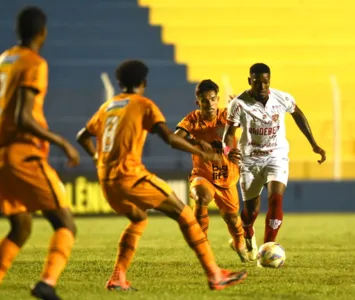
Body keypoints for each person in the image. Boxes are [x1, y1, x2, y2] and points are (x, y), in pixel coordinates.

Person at [76, 60, 247, 291]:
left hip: (106, 181)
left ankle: (118, 277)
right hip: (130, 176)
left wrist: (98, 159)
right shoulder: (143, 104)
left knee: (138, 219)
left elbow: (82, 136)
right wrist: (200, 150)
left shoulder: (108, 106)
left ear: (119, 83)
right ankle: (215, 274)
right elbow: (170, 138)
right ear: (143, 83)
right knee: (185, 213)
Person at [0, 6, 80, 300]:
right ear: (42, 33)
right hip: (23, 155)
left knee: (21, 227)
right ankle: (47, 284)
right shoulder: (34, 63)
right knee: (65, 223)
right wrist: (62, 142)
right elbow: (23, 118)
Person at [223, 63, 326, 261]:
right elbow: (229, 134)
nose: (262, 86)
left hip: (276, 156)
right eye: (257, 82)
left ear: (270, 80)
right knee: (250, 212)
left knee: (276, 199)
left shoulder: (282, 98)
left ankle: (267, 248)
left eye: (266, 81)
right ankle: (248, 233)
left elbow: (298, 114)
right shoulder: (238, 104)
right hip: (250, 160)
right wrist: (228, 151)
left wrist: (313, 144)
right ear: (249, 81)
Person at [174, 79, 248, 263]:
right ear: (197, 102)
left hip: (227, 178)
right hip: (203, 175)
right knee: (201, 197)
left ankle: (239, 241)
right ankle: (203, 246)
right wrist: (196, 143)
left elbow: (252, 121)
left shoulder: (227, 115)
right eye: (205, 101)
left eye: (213, 99)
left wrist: (242, 106)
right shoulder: (192, 120)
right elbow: (174, 139)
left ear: (218, 99)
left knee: (232, 219)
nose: (210, 104)